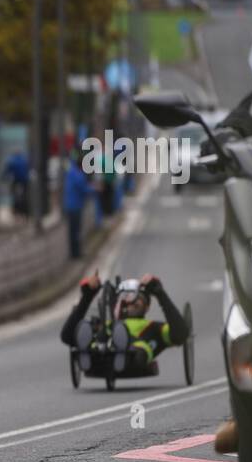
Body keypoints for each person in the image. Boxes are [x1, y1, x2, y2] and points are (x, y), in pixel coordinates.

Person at [60, 273, 189, 377]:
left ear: (146, 306)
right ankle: (91, 350)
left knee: (136, 347)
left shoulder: (153, 327)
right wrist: (87, 296)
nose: (129, 301)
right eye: (124, 297)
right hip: (104, 344)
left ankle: (122, 346)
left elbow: (181, 335)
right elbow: (66, 337)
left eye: (136, 298)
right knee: (89, 331)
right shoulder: (106, 323)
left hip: (136, 353)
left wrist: (160, 293)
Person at [62, 150, 95, 260]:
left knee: (72, 231)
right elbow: (83, 189)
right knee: (76, 231)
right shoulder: (78, 175)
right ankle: (76, 254)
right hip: (75, 206)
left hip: (70, 205)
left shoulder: (71, 172)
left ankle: (73, 253)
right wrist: (94, 189)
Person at [2, 149, 31, 216]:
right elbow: (28, 169)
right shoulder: (24, 160)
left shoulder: (12, 160)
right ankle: (25, 211)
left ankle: (16, 210)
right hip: (24, 180)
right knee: (25, 195)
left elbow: (7, 171)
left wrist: (3, 178)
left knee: (14, 195)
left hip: (16, 180)